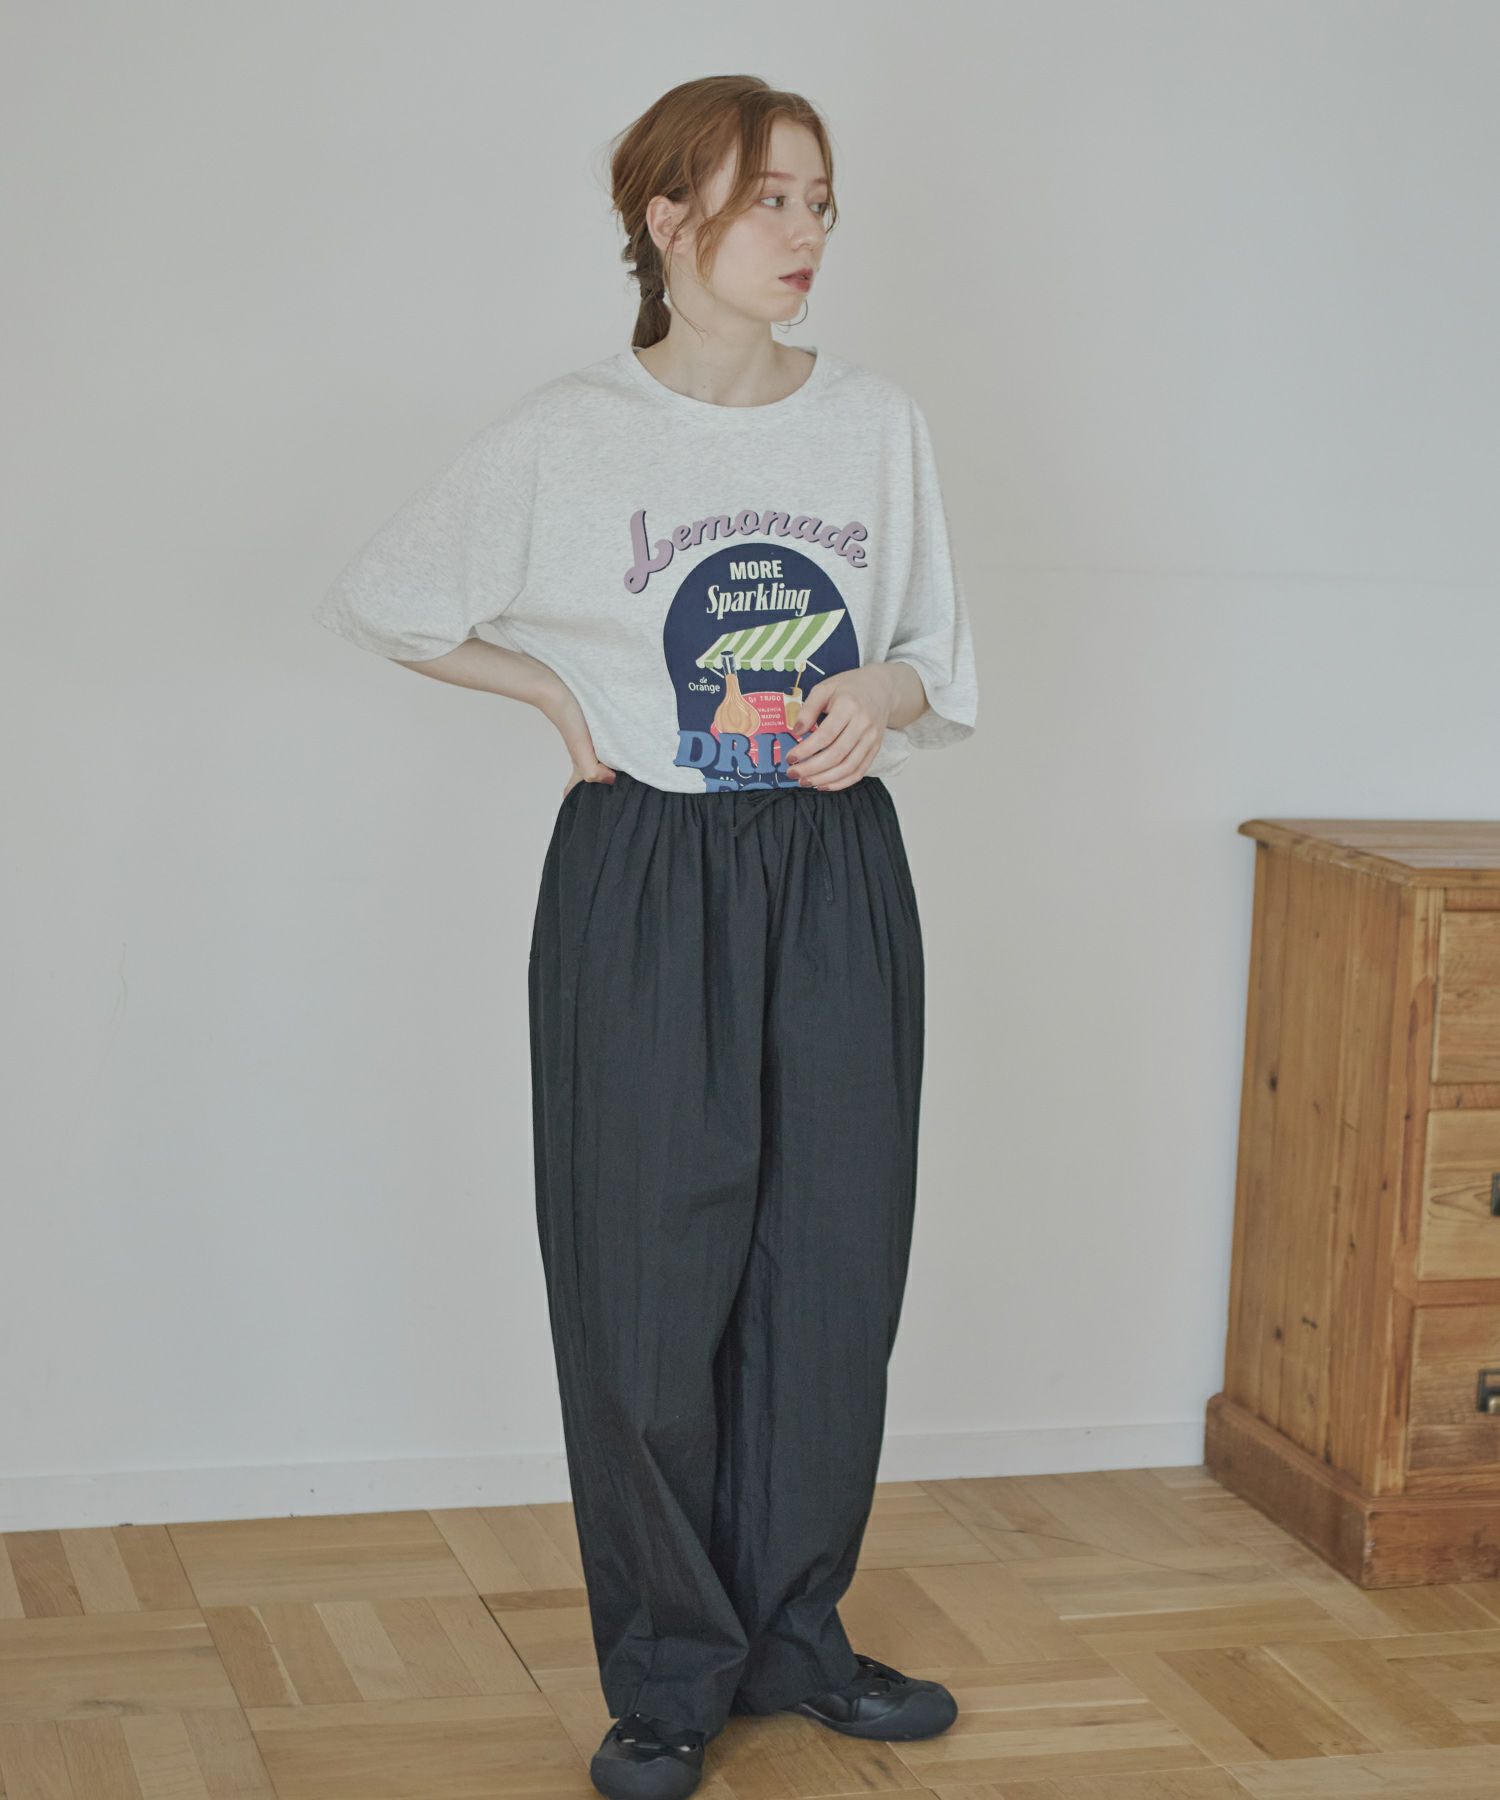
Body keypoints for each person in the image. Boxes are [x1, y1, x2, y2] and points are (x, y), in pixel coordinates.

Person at [316, 74, 978, 1800]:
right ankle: (671, 1672)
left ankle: (796, 1638)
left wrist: (883, 694)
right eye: (771, 201)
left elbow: (936, 653)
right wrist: (554, 691)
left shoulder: (876, 422)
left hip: (833, 869)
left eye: (822, 203)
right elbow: (388, 597)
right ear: (669, 219)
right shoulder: (571, 432)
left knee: (832, 1268)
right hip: (647, 872)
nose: (807, 235)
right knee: (643, 1278)